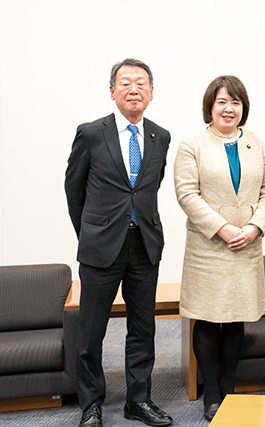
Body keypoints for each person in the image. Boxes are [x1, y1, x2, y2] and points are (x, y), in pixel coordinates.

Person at [65, 58, 173, 427]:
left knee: (143, 328)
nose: (133, 90)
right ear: (112, 91)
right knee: (92, 331)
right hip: (100, 247)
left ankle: (138, 401)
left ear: (151, 93)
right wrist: (91, 232)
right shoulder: (91, 133)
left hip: (144, 244)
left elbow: (149, 187)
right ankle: (91, 404)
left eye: (141, 84)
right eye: (125, 83)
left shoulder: (161, 136)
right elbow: (74, 189)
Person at [174, 75, 265, 421]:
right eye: (222, 102)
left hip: (246, 244)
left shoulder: (258, 143)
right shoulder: (193, 143)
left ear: (243, 107)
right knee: (206, 319)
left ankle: (229, 387)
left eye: (235, 102)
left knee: (236, 319)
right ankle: (212, 393)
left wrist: (253, 228)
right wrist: (222, 229)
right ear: (210, 106)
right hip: (208, 247)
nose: (229, 108)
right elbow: (187, 193)